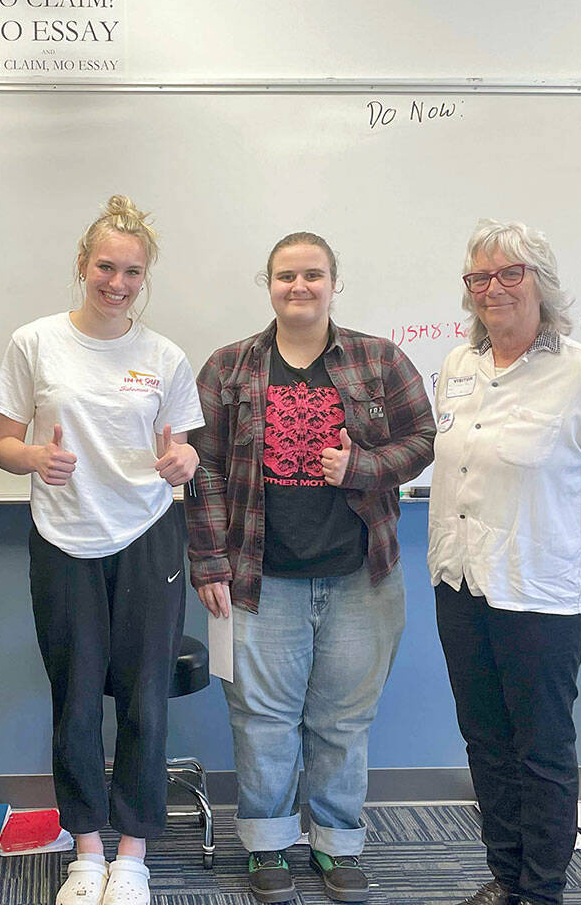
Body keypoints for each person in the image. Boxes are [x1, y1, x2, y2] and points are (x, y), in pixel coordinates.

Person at [185, 232, 434, 903]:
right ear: (268, 283)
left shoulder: (379, 360)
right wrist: (208, 559)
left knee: (343, 722)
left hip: (362, 576)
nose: (300, 286)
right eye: (287, 275)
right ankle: (267, 848)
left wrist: (362, 467)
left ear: (334, 282)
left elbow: (422, 441)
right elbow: (200, 468)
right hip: (258, 579)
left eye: (313, 275)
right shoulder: (229, 367)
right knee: (261, 721)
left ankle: (335, 844)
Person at [428, 220, 581, 905]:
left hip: (543, 590)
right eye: (479, 277)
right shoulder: (458, 367)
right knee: (485, 740)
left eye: (509, 273)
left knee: (541, 747)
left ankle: (543, 889)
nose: (492, 288)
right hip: (462, 578)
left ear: (541, 283)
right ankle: (506, 875)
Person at [0, 196, 203, 905]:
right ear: (82, 265)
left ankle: (133, 854)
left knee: (145, 701)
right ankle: (86, 849)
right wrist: (31, 461)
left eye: (132, 272)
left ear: (146, 278)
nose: (117, 282)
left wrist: (185, 466)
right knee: (75, 700)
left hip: (148, 539)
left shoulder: (164, 356)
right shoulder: (35, 342)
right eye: (105, 267)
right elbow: (4, 443)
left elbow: (184, 451)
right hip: (62, 538)